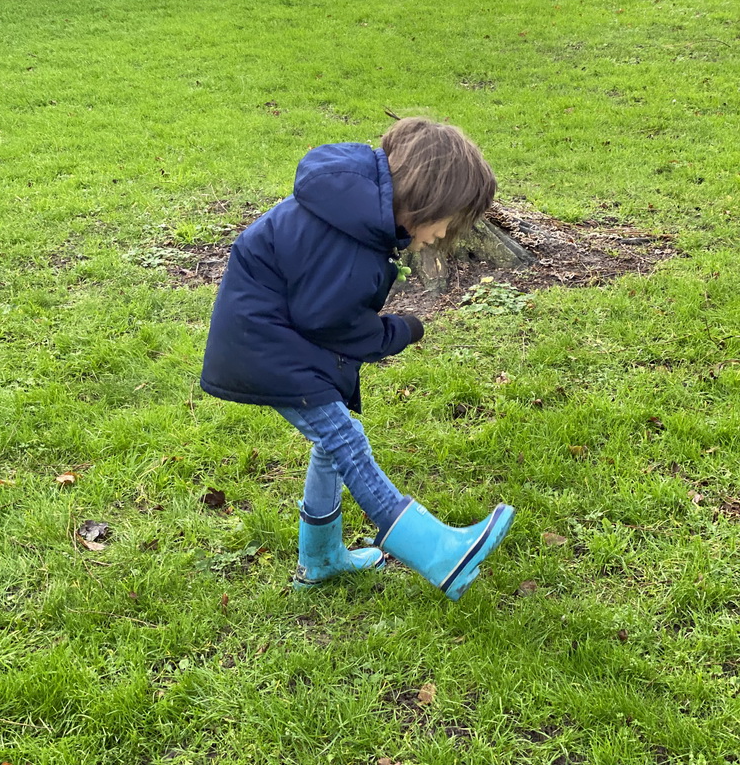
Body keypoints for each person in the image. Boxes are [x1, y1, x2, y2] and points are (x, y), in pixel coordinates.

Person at [200, 117, 515, 601]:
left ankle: (321, 559)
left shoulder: (350, 204)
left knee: (335, 439)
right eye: (450, 217)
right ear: (427, 196)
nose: (447, 231)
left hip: (271, 339)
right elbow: (331, 322)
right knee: (345, 442)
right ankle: (440, 553)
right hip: (266, 348)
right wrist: (399, 331)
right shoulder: (350, 237)